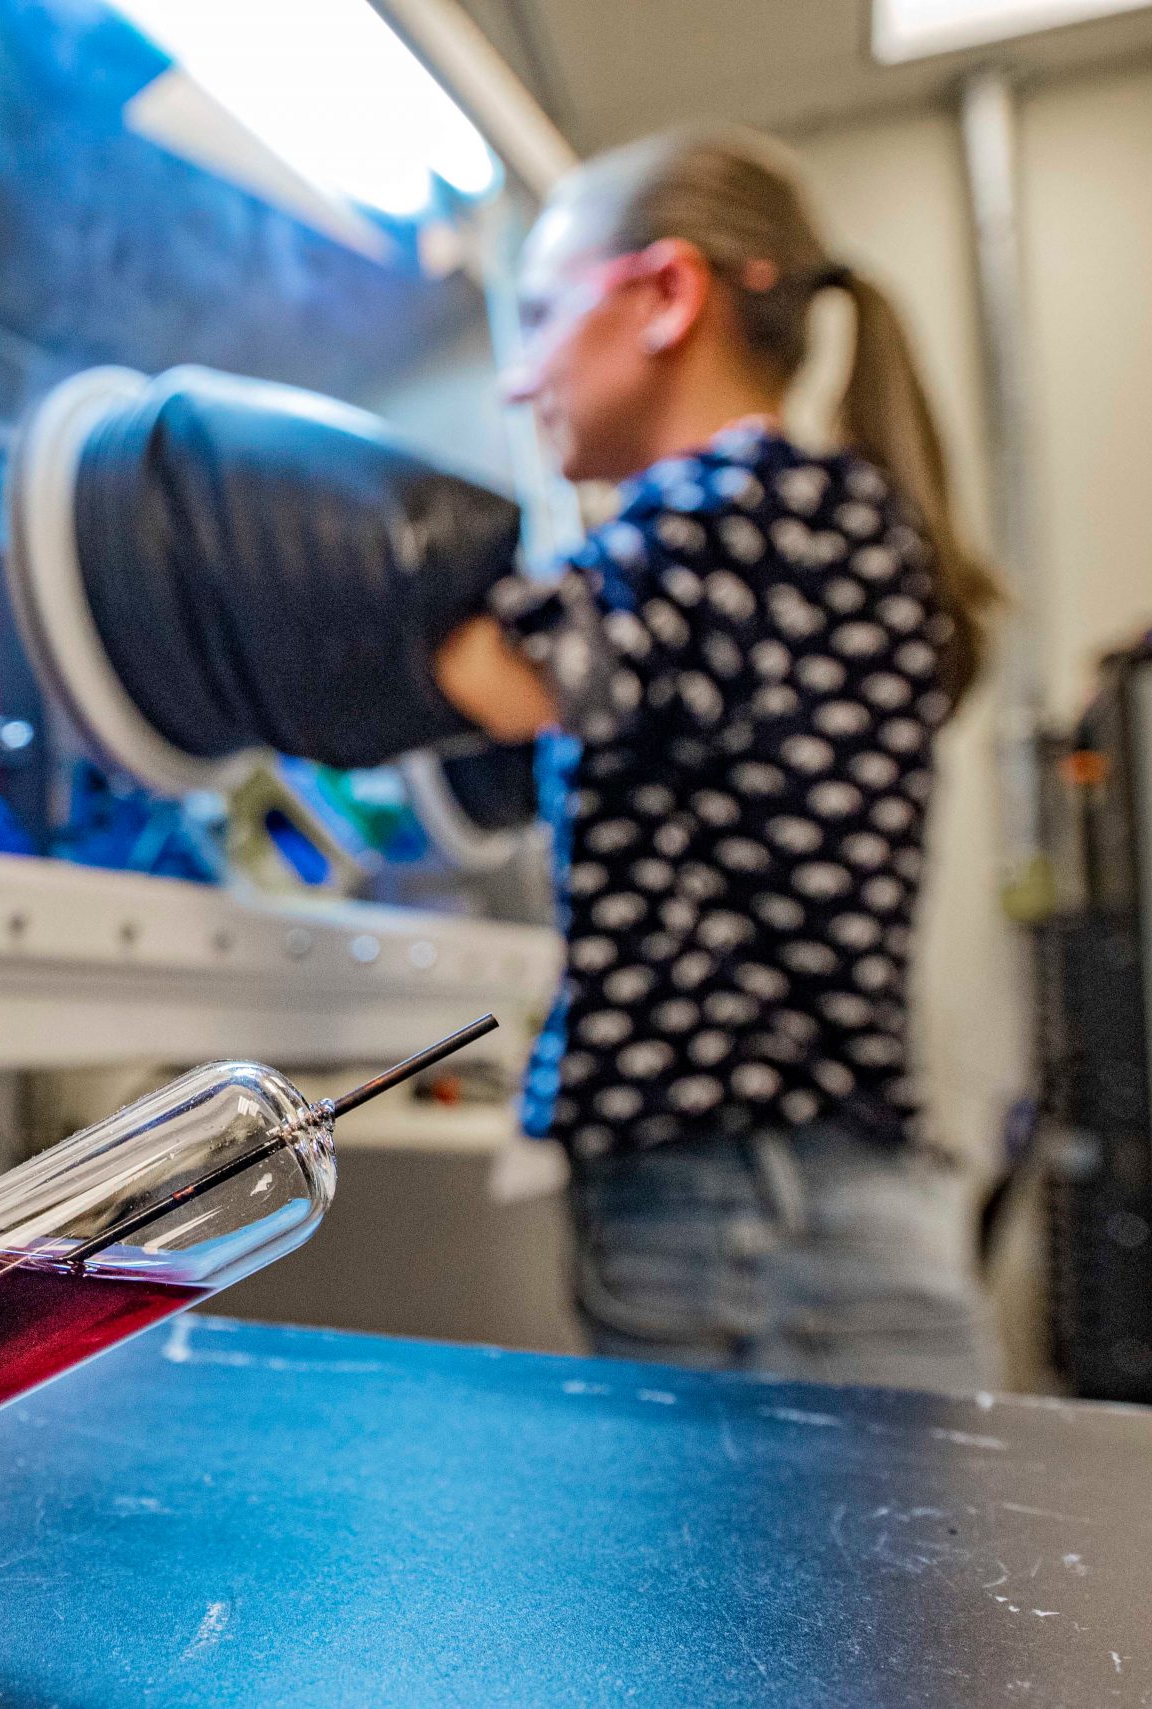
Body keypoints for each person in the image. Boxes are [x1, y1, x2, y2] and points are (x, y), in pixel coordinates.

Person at [431, 128, 1002, 1390]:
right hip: (788, 1207)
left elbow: (487, 673)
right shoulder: (807, 513)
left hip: (751, 1216)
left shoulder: (744, 502)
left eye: (539, 315)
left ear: (666, 296)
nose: (519, 379)